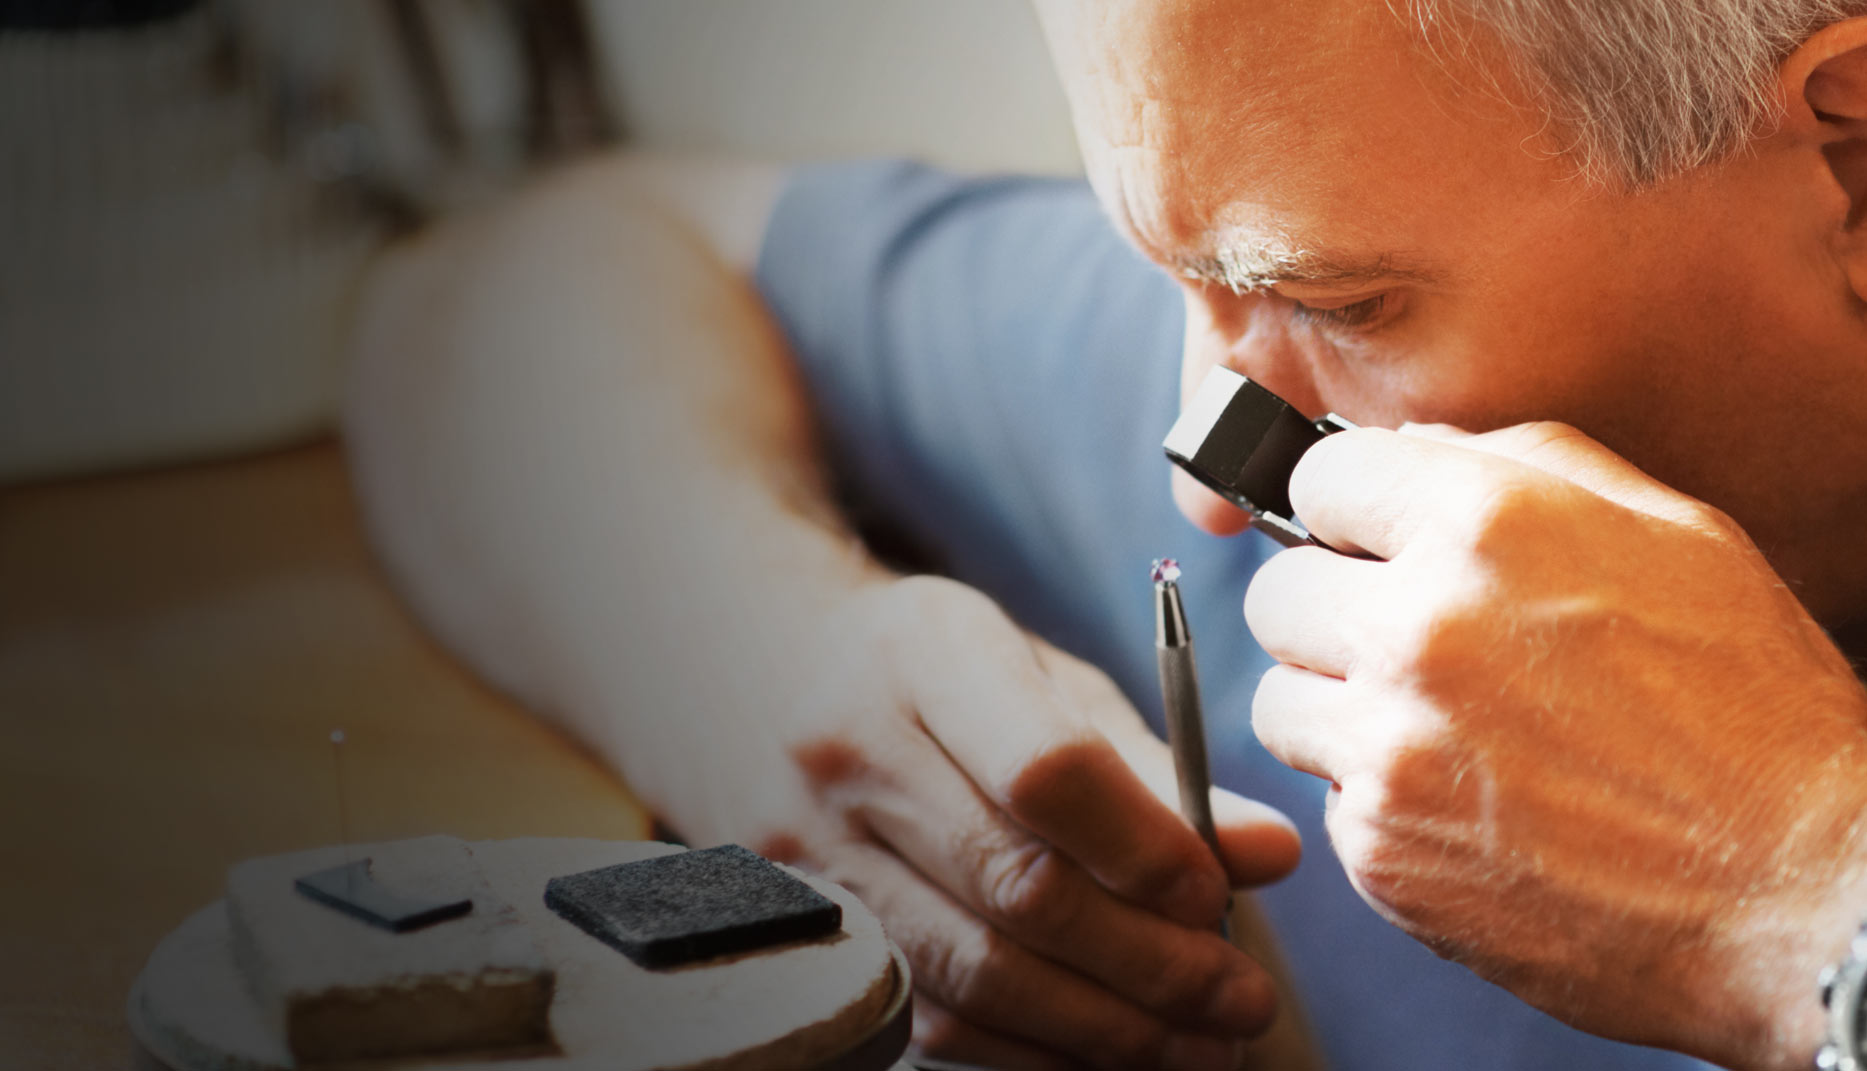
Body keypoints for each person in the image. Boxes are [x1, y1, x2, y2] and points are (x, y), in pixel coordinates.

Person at [342, 0, 1867, 1067]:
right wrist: (750, 666)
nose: (1208, 479)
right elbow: (491, 303)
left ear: (1850, 160)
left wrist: (1802, 893)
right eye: (1179, 274)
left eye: (1341, 305)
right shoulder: (1272, 378)